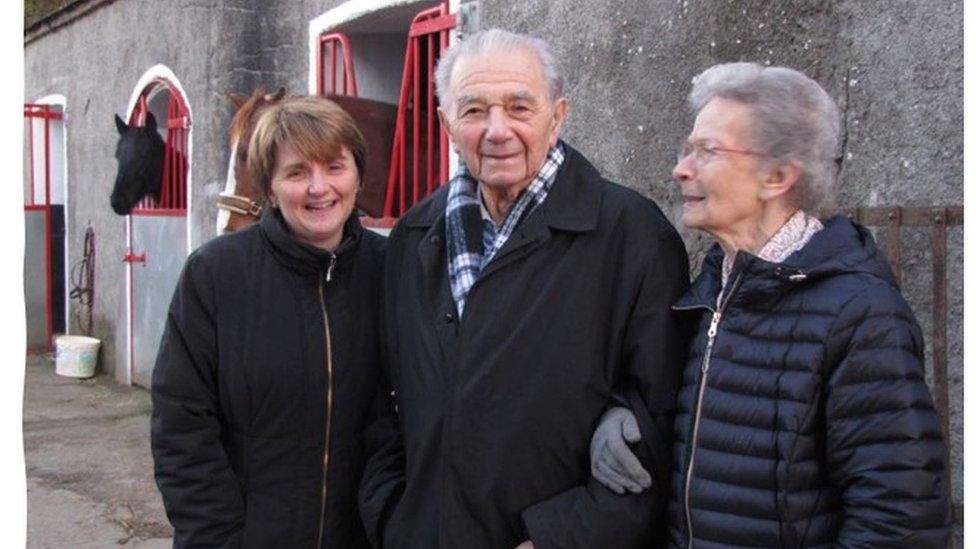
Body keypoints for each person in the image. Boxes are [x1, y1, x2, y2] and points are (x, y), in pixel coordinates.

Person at [590, 62, 950, 547]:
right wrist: (621, 411)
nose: (681, 168)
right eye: (687, 148)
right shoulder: (712, 292)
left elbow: (899, 521)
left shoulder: (860, 315)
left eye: (708, 151)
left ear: (777, 177)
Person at [358, 29, 690, 548]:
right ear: (447, 125)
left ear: (558, 116)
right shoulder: (415, 235)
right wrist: (393, 516)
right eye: (473, 111)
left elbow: (661, 417)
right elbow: (385, 401)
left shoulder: (632, 235)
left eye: (519, 108)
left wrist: (561, 538)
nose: (497, 130)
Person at [151, 95, 384, 547]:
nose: (320, 188)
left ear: (357, 176)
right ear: (270, 186)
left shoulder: (392, 270)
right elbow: (181, 425)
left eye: (335, 167)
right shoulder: (216, 274)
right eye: (297, 172)